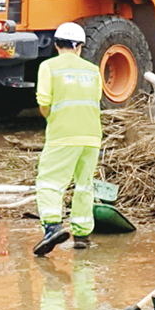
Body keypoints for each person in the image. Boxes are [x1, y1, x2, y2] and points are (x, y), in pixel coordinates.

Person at [33, 22, 103, 256]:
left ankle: (52, 226)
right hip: (92, 135)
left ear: (56, 45)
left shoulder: (48, 67)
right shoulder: (93, 70)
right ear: (80, 47)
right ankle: (82, 233)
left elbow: (44, 102)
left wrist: (50, 119)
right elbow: (96, 99)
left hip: (62, 134)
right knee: (84, 185)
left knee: (49, 182)